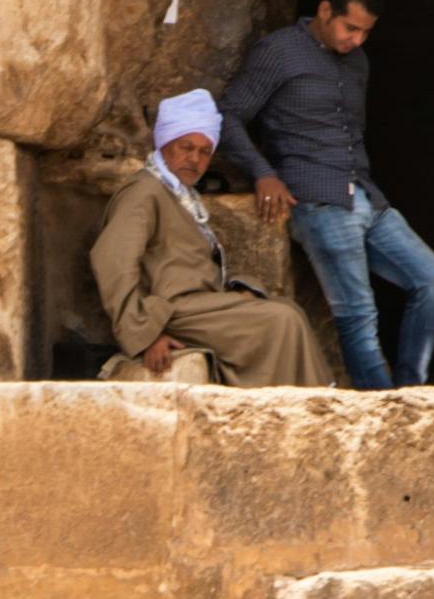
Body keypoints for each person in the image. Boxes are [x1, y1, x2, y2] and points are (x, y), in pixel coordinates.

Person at [216, 0, 434, 391]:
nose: (357, 40)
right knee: (358, 313)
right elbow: (229, 115)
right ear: (325, 11)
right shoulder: (279, 51)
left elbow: (351, 132)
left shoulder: (357, 61)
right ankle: (382, 409)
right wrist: (263, 173)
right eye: (350, 27)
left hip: (366, 196)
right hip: (316, 197)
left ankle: (412, 392)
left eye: (366, 32)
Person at [90, 90, 332, 388]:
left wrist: (237, 292)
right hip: (172, 311)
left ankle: (299, 408)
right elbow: (111, 262)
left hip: (198, 306)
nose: (195, 159)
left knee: (289, 309)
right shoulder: (144, 191)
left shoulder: (178, 194)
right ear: (164, 143)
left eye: (205, 151)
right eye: (186, 147)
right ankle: (293, 411)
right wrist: (144, 335)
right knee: (281, 321)